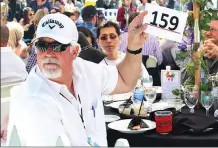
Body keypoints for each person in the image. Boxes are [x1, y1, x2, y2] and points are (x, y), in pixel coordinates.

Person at [6, 11, 149, 146]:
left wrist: (134, 46)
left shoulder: (84, 70)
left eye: (57, 46)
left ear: (74, 52)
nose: (48, 53)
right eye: (42, 45)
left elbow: (125, 80)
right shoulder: (32, 100)